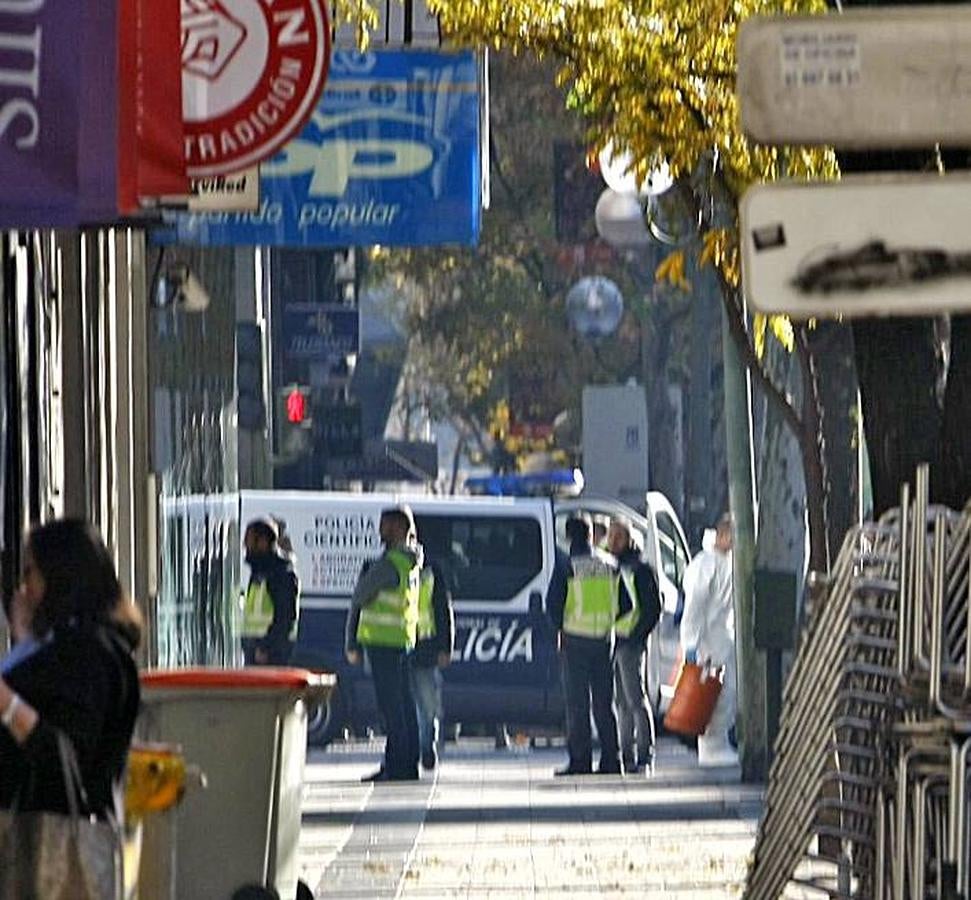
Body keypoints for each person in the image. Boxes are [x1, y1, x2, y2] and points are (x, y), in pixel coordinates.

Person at [0, 519, 141, 833]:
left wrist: (7, 703)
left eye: (30, 573)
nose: (24, 589)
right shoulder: (92, 647)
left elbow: (66, 763)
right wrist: (27, 641)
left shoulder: (88, 654)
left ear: (59, 576)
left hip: (48, 851)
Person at [546, 513, 630, 776]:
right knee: (605, 704)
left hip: (575, 640)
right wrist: (606, 620)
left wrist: (561, 627)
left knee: (577, 704)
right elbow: (626, 604)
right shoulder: (610, 564)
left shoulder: (567, 565)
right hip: (604, 641)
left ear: (570, 536)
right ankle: (611, 760)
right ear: (591, 534)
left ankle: (580, 761)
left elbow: (553, 606)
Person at [345, 506, 421, 782]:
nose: (381, 530)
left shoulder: (390, 563)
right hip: (402, 641)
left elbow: (360, 595)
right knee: (405, 706)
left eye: (386, 525)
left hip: (383, 643)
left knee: (391, 709)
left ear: (399, 528)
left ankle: (396, 766)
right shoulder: (411, 562)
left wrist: (367, 575)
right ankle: (408, 763)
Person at [680, 513, 738, 767]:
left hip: (721, 639)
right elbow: (695, 605)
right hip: (709, 643)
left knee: (725, 693)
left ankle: (718, 742)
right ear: (723, 535)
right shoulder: (706, 565)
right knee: (714, 695)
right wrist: (691, 643)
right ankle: (712, 745)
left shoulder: (723, 563)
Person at [607, 518, 662, 775]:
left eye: (618, 536)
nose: (612, 541)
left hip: (630, 643)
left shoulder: (640, 569)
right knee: (621, 702)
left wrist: (638, 636)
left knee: (636, 700)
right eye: (610, 535)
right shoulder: (611, 566)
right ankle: (626, 755)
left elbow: (653, 609)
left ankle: (644, 755)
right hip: (614, 641)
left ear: (629, 539)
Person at [410, 556, 454, 771]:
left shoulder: (431, 573)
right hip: (402, 646)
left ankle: (426, 749)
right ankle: (415, 750)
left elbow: (442, 609)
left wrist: (446, 646)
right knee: (414, 706)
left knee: (427, 706)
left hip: (423, 649)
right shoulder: (394, 567)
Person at [241, 518, 299, 666]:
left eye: (250, 540)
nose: (245, 546)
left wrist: (266, 646)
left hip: (271, 652)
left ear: (263, 542)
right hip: (255, 649)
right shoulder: (260, 572)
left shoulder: (280, 573)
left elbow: (285, 616)